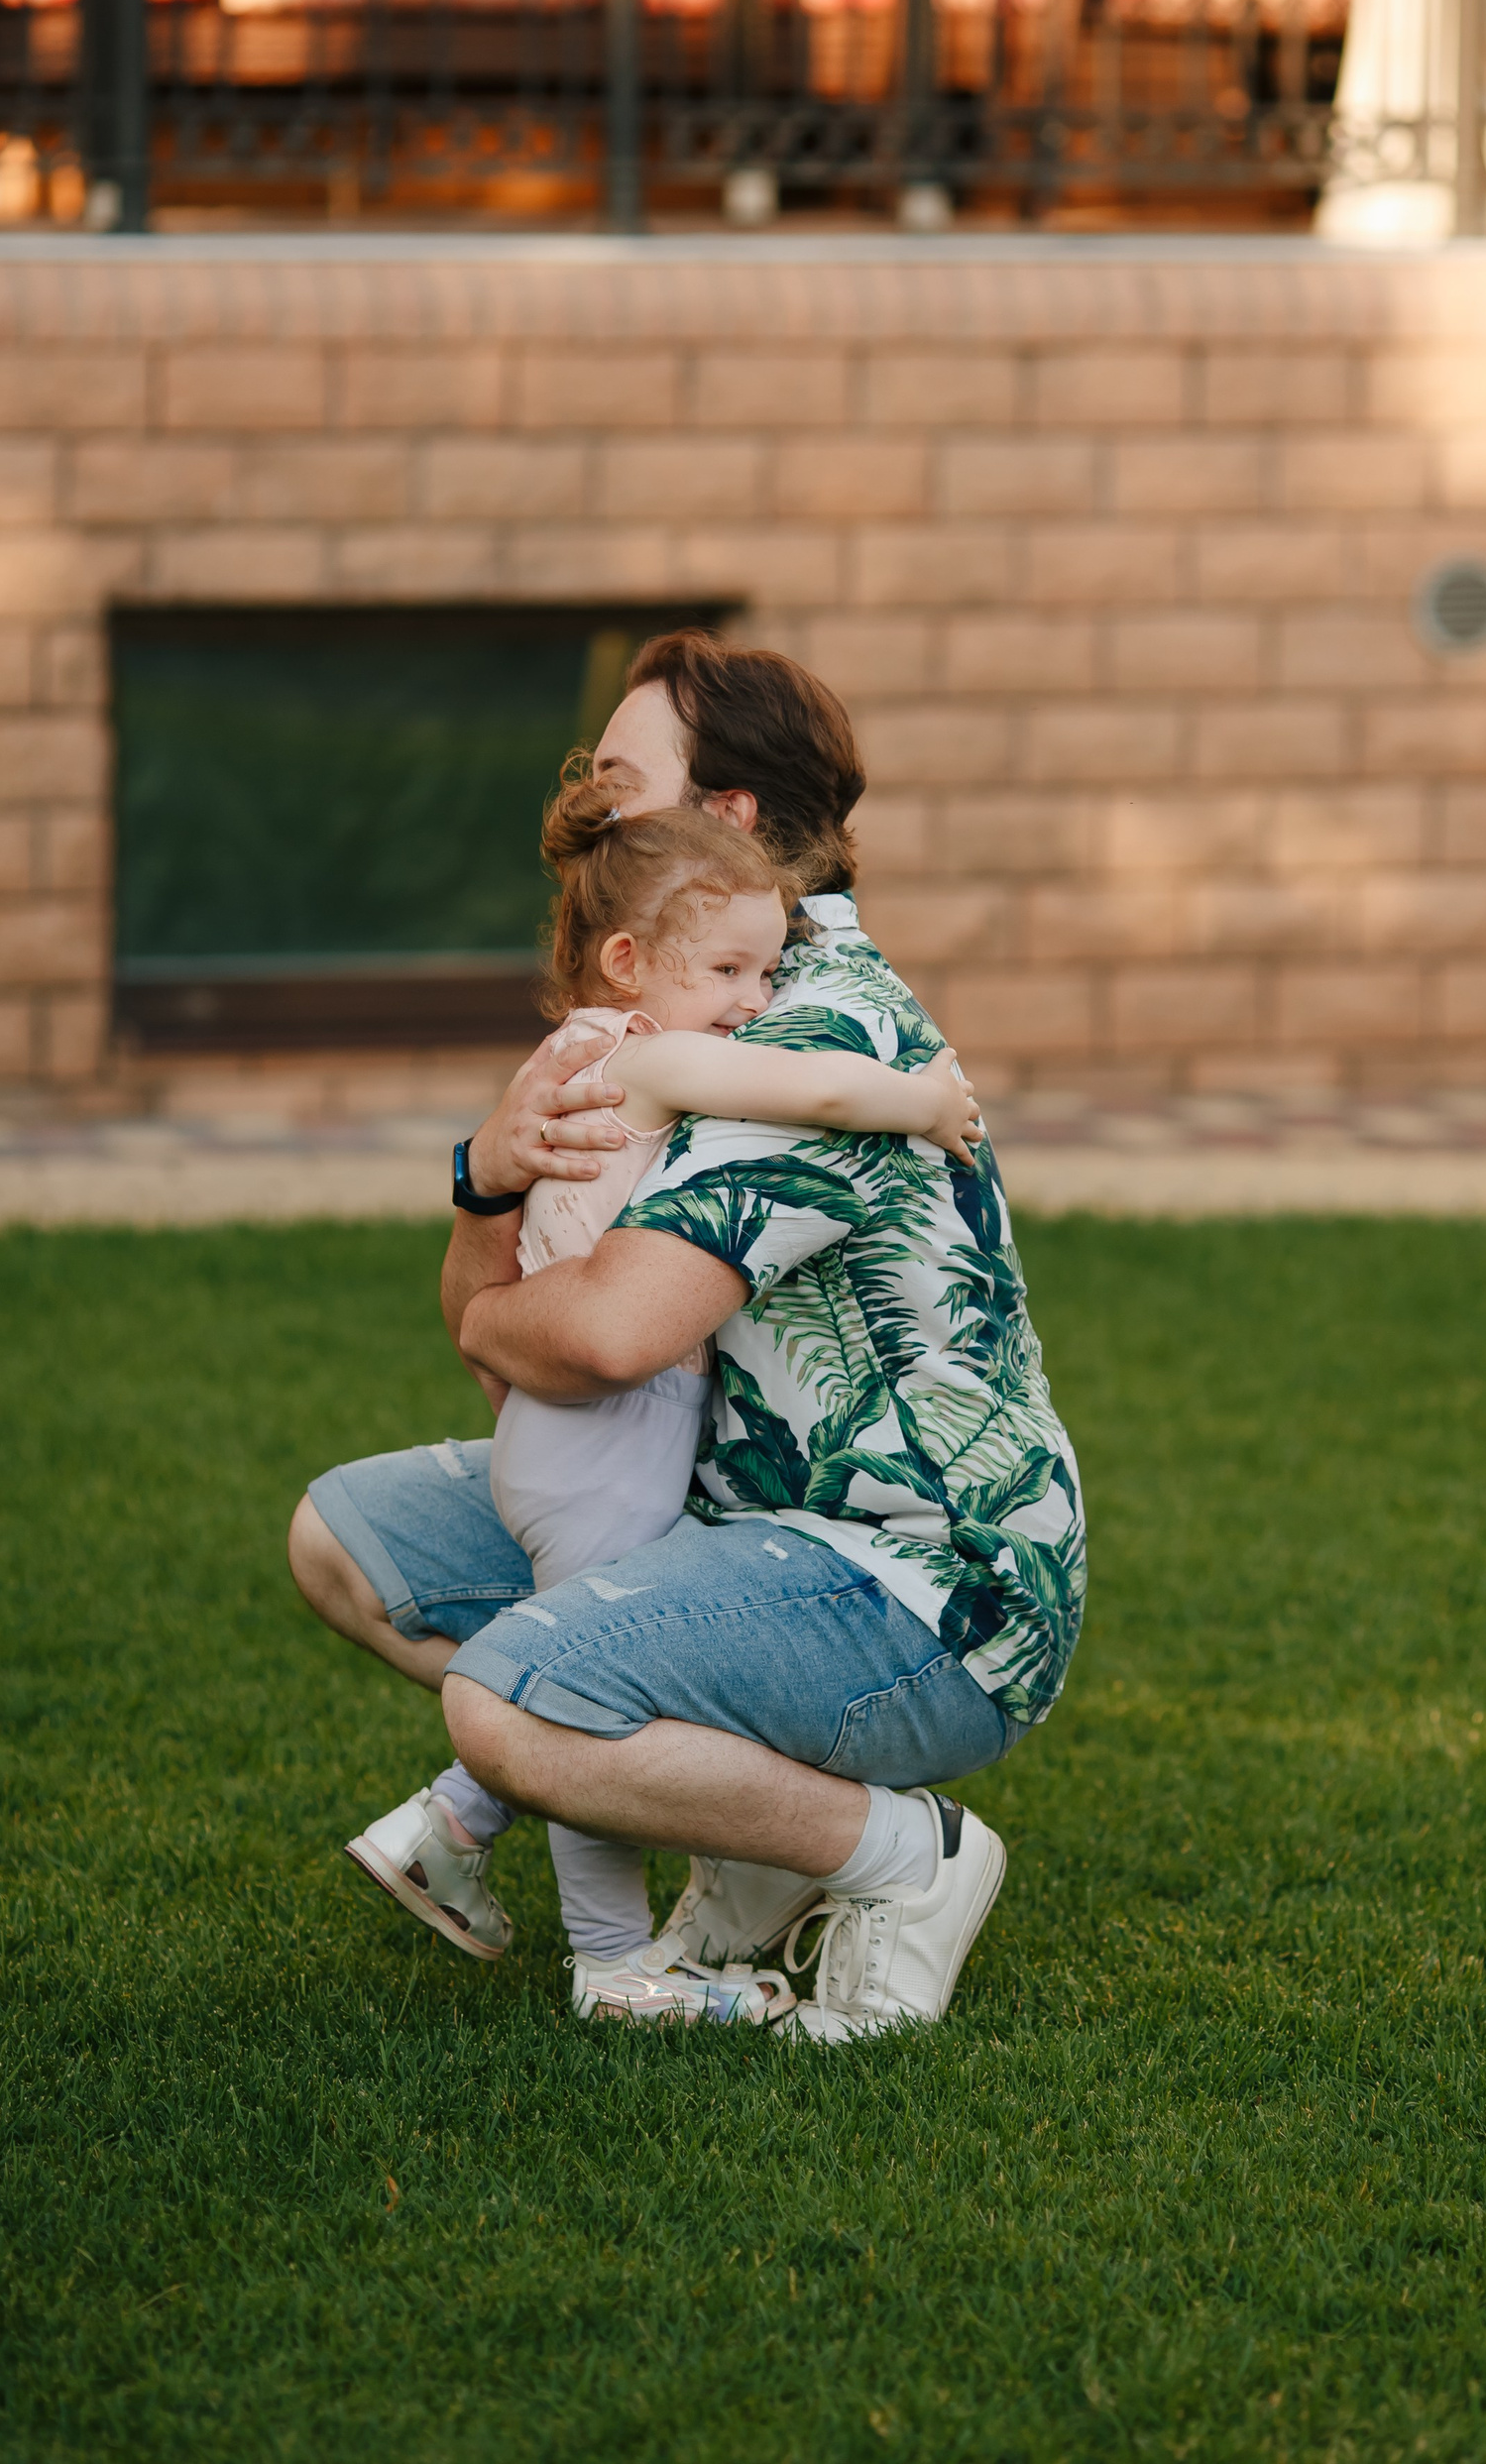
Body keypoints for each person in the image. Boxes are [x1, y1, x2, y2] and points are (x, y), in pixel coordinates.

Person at [288, 629, 1086, 2041]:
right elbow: (494, 1332)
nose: (585, 821)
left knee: (513, 1711)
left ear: (725, 816)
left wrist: (506, 1312)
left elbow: (599, 1339)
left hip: (921, 1579)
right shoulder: (652, 1015)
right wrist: (485, 1181)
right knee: (346, 1543)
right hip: (723, 1517)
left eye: (617, 788)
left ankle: (907, 1858)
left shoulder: (803, 1033)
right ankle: (758, 1838)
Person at [337, 779, 982, 2000]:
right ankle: (613, 1964)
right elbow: (815, 1093)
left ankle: (447, 1827)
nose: (755, 1002)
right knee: (573, 1707)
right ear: (630, 962)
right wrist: (926, 1101)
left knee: (567, 1676)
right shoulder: (649, 1055)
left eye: (769, 971)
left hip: (556, 1442)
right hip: (608, 1444)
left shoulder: (563, 1055)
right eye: (729, 971)